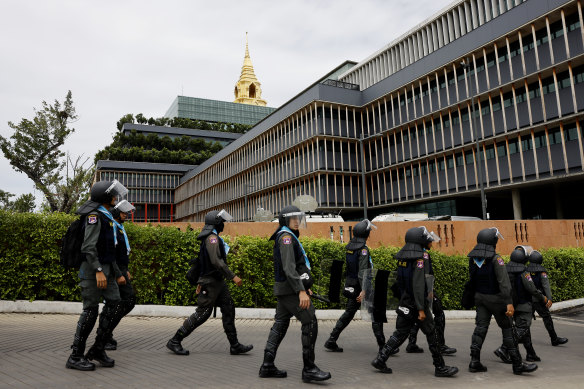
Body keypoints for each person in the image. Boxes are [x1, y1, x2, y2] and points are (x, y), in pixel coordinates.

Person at [371, 226, 458, 377]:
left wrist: (404, 300)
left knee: (400, 333)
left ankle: (381, 358)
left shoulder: (402, 257)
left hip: (405, 301)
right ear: (419, 239)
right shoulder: (420, 258)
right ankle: (440, 367)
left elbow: (399, 282)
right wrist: (421, 309)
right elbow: (418, 285)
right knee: (431, 333)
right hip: (417, 303)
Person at [258, 205, 331, 382]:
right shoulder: (286, 238)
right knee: (310, 320)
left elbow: (296, 268)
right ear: (285, 220)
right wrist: (300, 291)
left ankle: (267, 365)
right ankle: (309, 369)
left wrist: (305, 286)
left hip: (286, 289)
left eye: (298, 218)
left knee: (280, 324)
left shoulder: (286, 236)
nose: (297, 221)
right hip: (290, 290)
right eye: (293, 218)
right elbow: (289, 268)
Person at [166, 209, 252, 356]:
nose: (223, 224)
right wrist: (233, 276)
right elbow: (216, 262)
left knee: (228, 308)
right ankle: (175, 340)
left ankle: (235, 345)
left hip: (218, 282)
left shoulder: (214, 237)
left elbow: (203, 262)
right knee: (203, 313)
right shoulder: (211, 238)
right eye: (222, 222)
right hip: (211, 282)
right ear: (216, 223)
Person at [66, 180, 129, 370]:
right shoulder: (94, 216)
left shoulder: (107, 216)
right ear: (105, 197)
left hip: (108, 272)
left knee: (115, 303)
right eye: (113, 195)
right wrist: (99, 271)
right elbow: (88, 247)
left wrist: (117, 273)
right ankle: (75, 356)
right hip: (93, 272)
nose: (115, 198)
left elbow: (110, 251)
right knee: (91, 311)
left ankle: (98, 349)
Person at [467, 228, 537, 375]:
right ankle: (517, 364)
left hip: (480, 298)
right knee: (508, 331)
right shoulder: (496, 258)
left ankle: (474, 361)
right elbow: (504, 283)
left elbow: (473, 278)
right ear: (493, 241)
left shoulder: (473, 258)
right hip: (497, 300)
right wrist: (509, 302)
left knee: (480, 329)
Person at [324, 219, 386, 353]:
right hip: (363, 288)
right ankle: (384, 347)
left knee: (349, 313)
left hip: (353, 285)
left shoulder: (350, 247)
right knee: (376, 314)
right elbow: (363, 271)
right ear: (366, 233)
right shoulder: (363, 249)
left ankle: (332, 339)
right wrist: (364, 290)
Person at [493, 246, 551, 364]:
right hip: (524, 305)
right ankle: (504, 349)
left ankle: (531, 353)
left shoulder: (505, 270)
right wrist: (544, 298)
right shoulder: (524, 273)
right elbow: (532, 289)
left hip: (511, 305)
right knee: (522, 328)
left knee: (524, 330)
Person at [103, 200, 137, 350]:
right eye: (123, 212)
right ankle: (104, 334)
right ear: (116, 213)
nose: (125, 215)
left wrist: (126, 270)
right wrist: (118, 273)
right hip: (116, 270)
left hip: (122, 268)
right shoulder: (113, 228)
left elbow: (122, 253)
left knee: (122, 303)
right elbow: (112, 254)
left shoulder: (120, 228)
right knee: (125, 301)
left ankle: (106, 333)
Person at [527, 250, 568, 346]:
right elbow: (546, 286)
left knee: (525, 320)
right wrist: (549, 299)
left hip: (528, 299)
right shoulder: (542, 272)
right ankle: (554, 339)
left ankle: (520, 338)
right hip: (539, 299)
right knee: (547, 318)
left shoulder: (526, 271)